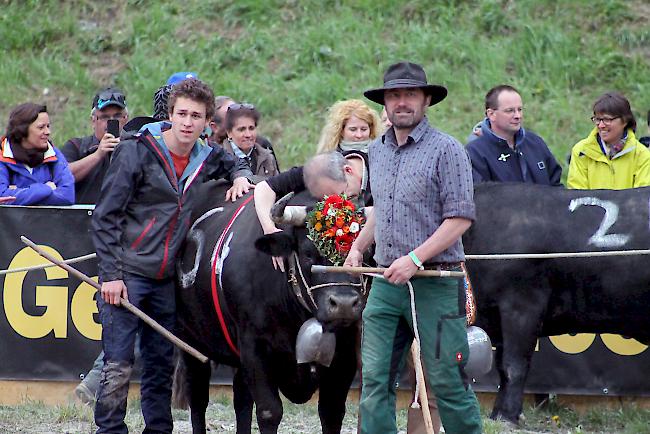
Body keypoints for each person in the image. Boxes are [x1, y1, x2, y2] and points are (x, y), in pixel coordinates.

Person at [91, 78, 254, 434]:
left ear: (208, 123)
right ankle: (110, 430)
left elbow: (233, 163)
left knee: (160, 365)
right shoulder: (137, 150)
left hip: (166, 279)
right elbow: (105, 216)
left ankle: (159, 430)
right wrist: (112, 275)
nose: (187, 122)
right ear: (170, 114)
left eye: (196, 116)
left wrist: (241, 174)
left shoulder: (206, 157)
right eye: (181, 113)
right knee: (118, 364)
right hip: (128, 273)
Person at [344, 61, 482, 434]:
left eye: (409, 94)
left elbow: (460, 219)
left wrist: (415, 258)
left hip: (436, 281)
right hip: (387, 285)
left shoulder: (448, 151)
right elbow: (381, 209)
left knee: (448, 383)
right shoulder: (378, 151)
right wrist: (359, 247)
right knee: (374, 380)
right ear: (385, 104)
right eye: (394, 95)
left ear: (425, 100)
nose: (401, 102)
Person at [255, 151, 368, 271]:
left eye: (343, 195)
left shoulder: (384, 174)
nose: (337, 205)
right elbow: (264, 187)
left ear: (348, 171)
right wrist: (269, 229)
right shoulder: (319, 171)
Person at [466, 85, 562, 185]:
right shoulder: (475, 153)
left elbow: (556, 186)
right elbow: (480, 196)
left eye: (520, 109)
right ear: (491, 114)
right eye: (510, 111)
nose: (517, 116)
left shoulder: (535, 142)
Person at [567, 92, 650, 189]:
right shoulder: (581, 151)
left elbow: (641, 198)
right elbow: (577, 196)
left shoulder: (641, 154)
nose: (601, 125)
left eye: (607, 120)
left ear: (625, 121)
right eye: (597, 119)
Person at [62, 87, 129, 204]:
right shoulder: (76, 146)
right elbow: (62, 177)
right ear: (93, 120)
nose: (111, 122)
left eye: (117, 116)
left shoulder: (136, 147)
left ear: (126, 119)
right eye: (104, 117)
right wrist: (98, 155)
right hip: (85, 218)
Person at [0, 103, 74, 205]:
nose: (48, 132)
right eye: (41, 127)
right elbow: (3, 198)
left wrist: (19, 192)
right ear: (22, 131)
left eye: (48, 126)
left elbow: (67, 196)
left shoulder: (54, 154)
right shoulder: (2, 155)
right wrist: (46, 188)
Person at [222, 103, 279, 178]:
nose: (248, 135)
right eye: (241, 129)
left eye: (251, 128)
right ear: (229, 133)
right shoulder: (220, 160)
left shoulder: (267, 158)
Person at [316, 99, 381, 154]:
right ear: (341, 130)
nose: (359, 135)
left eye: (364, 129)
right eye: (353, 129)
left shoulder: (380, 154)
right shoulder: (329, 159)